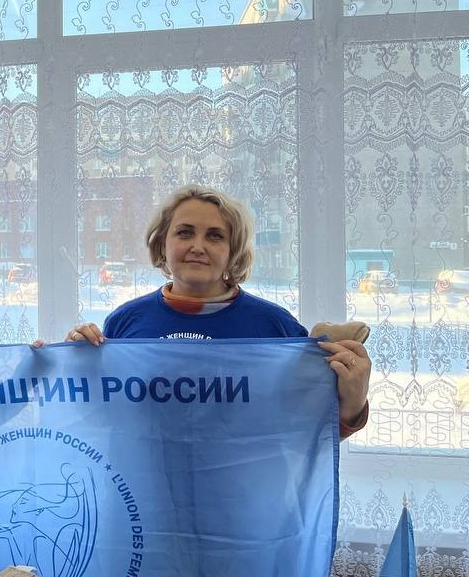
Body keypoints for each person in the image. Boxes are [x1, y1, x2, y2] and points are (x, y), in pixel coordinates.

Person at [66, 185, 371, 438]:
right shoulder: (126, 322)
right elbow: (99, 420)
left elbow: (309, 433)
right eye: (184, 233)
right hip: (146, 491)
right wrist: (70, 365)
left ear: (233, 251)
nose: (198, 246)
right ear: (162, 245)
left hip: (243, 491)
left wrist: (352, 405)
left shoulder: (274, 326)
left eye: (215, 236)